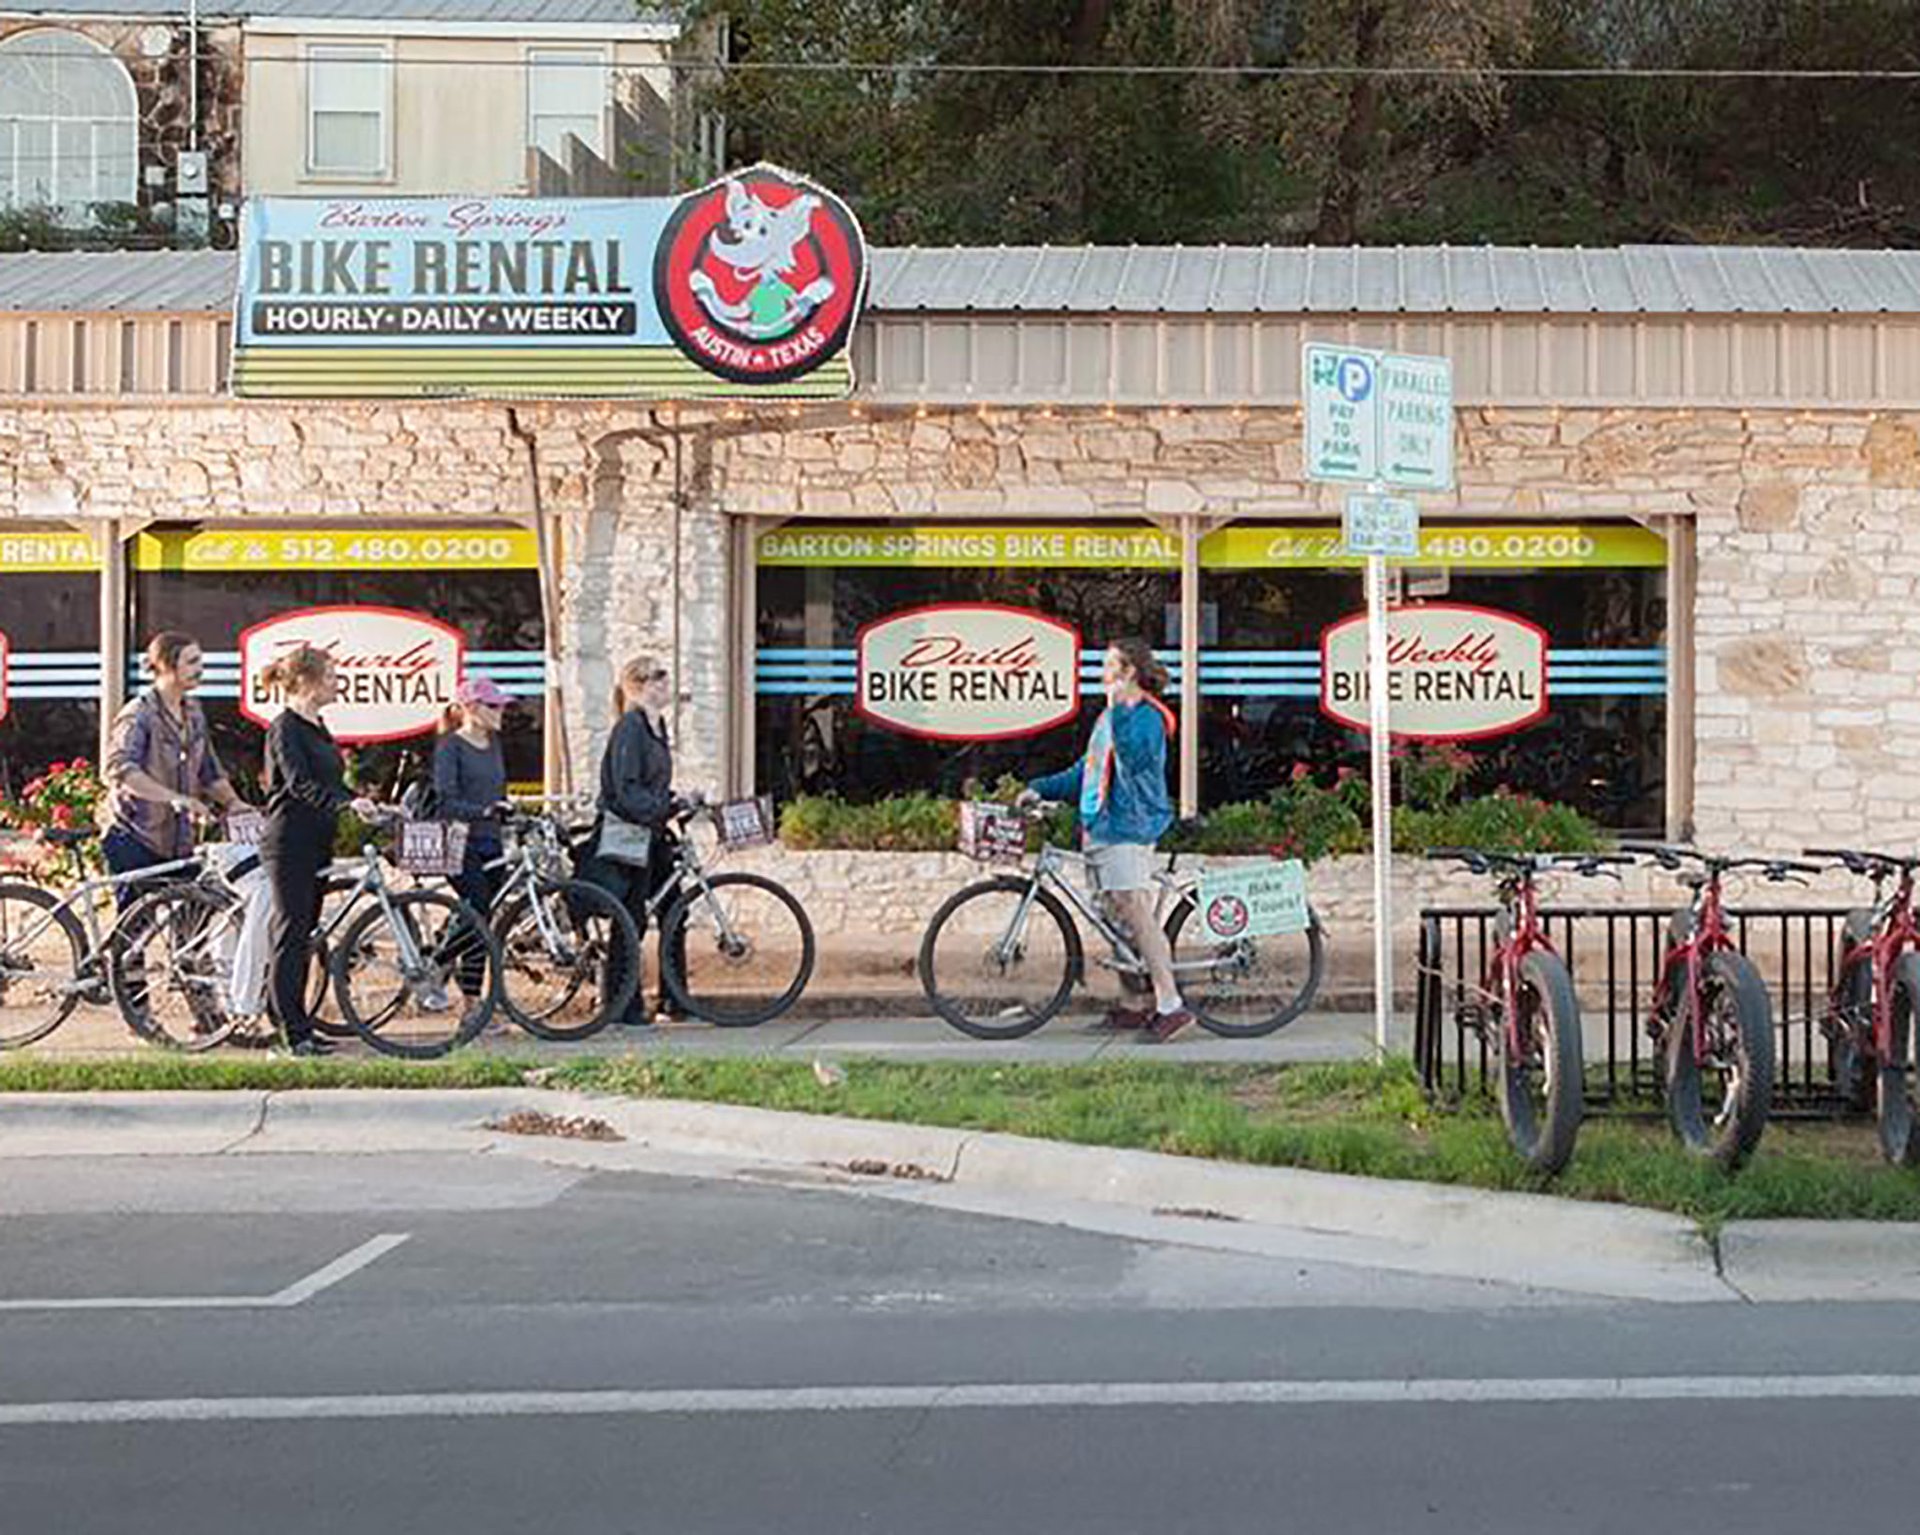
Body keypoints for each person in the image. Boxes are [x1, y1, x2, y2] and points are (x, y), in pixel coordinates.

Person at [1020, 637, 1193, 1042]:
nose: (1102, 673)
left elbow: (1136, 759)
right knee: (1112, 916)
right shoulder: (1109, 717)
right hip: (1099, 825)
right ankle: (1135, 1004)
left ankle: (1172, 1005)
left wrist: (1117, 711)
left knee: (1133, 907)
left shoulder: (1148, 717)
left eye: (1109, 665)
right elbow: (1088, 770)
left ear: (1129, 671)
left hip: (1130, 827)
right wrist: (1040, 788)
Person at [258, 645, 378, 1057]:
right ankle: (290, 1032)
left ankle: (300, 1023)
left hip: (316, 841)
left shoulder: (318, 726)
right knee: (290, 933)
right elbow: (297, 783)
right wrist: (342, 804)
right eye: (330, 675)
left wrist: (356, 799)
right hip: (288, 840)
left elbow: (329, 782)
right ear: (306, 681)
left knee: (306, 933)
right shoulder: (285, 727)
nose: (336, 682)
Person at [102, 632, 243, 902]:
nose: (199, 669)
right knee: (134, 932)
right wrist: (176, 799)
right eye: (191, 662)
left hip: (179, 842)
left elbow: (208, 771)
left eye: (200, 661)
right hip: (136, 836)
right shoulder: (139, 713)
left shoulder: (193, 712)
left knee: (195, 918)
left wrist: (234, 803)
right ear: (166, 665)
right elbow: (120, 769)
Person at [582, 655, 684, 1028]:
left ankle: (674, 998)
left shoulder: (657, 728)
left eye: (664, 676)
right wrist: (663, 805)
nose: (664, 683)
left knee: (676, 908)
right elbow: (625, 790)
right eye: (657, 677)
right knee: (630, 919)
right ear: (638, 685)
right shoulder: (630, 728)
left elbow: (652, 783)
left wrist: (675, 800)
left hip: (653, 830)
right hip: (630, 832)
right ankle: (621, 1005)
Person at [433, 677, 512, 997]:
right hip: (459, 840)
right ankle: (439, 961)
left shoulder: (494, 745)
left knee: (482, 920)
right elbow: (445, 800)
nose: (501, 711)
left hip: (491, 840)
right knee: (476, 907)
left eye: (502, 705)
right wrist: (483, 811)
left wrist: (505, 810)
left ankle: (471, 1003)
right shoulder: (450, 746)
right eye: (494, 706)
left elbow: (496, 791)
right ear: (471, 708)